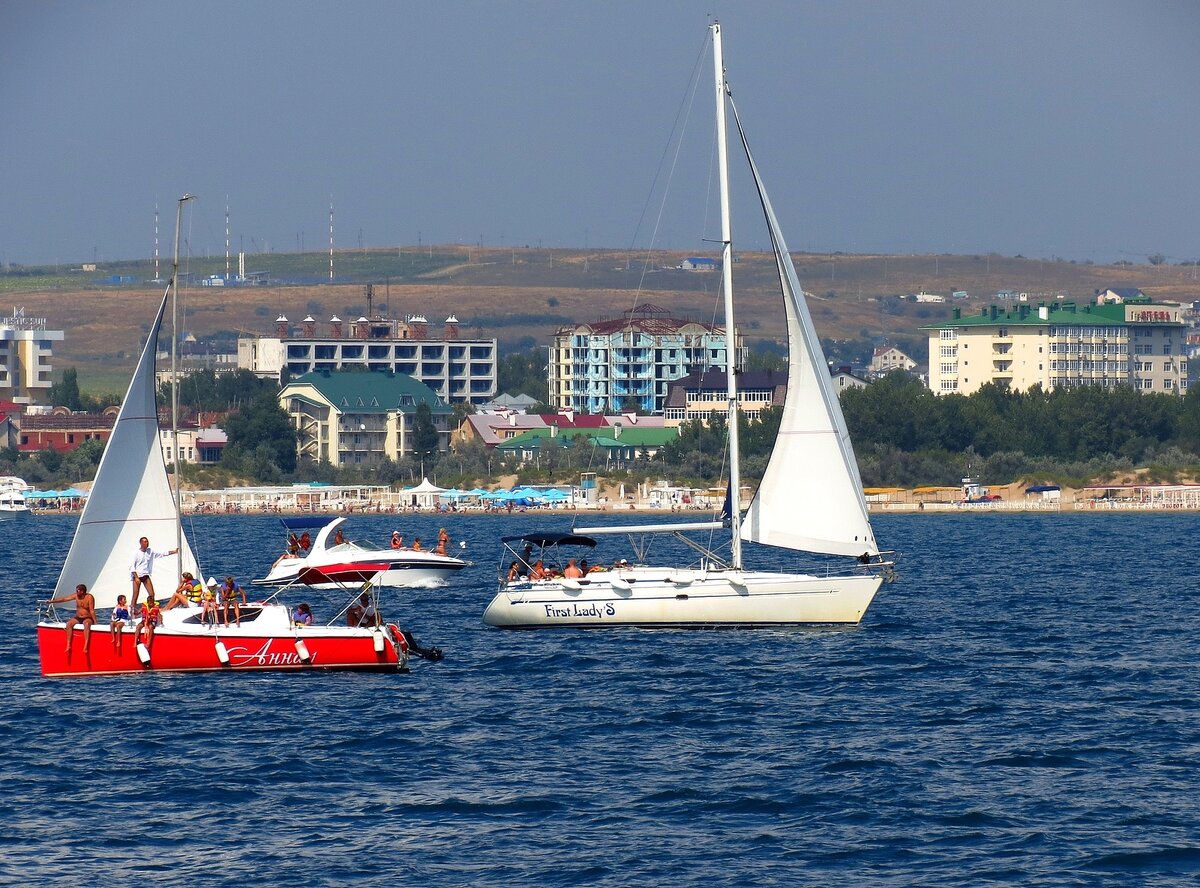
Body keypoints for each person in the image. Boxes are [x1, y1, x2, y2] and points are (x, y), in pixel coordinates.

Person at [129, 536, 179, 611]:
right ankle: (132, 611)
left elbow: (161, 553)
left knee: (152, 594)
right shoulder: (136, 553)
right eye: (145, 541)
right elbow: (132, 566)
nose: (147, 543)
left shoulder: (150, 551)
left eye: (147, 541)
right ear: (141, 543)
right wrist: (136, 578)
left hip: (145, 575)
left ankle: (152, 609)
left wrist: (174, 552)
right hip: (137, 576)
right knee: (135, 595)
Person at [49, 583, 97, 655]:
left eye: (78, 591)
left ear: (82, 591)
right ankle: (68, 645)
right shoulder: (76, 596)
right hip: (78, 617)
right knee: (69, 624)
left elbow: (92, 610)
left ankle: (86, 646)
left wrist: (95, 622)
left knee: (86, 625)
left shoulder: (89, 597)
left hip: (87, 617)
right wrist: (52, 601)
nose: (77, 592)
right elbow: (64, 599)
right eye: (76, 591)